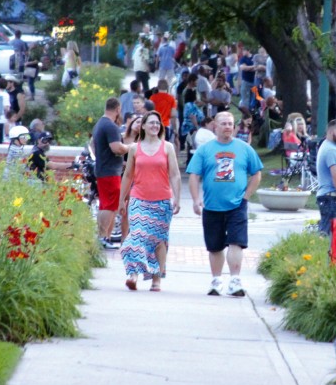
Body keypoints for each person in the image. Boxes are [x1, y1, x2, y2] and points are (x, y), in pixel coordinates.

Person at [186, 111, 263, 297]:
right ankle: (217, 280)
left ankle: (235, 280)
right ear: (215, 126)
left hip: (237, 205)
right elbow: (194, 176)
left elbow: (257, 173)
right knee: (215, 246)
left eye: (230, 124)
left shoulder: (244, 149)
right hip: (212, 206)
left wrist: (246, 196)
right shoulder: (205, 150)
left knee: (236, 242)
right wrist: (196, 200)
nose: (228, 127)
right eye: (224, 124)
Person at [119, 111, 182, 292]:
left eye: (157, 123)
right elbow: (128, 175)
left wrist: (177, 198)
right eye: (151, 123)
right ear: (143, 126)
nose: (155, 126)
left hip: (162, 201)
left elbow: (175, 174)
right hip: (139, 198)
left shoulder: (167, 147)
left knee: (159, 241)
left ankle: (157, 279)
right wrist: (122, 199)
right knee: (136, 235)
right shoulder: (134, 149)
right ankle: (133, 275)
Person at [93, 98, 128, 249]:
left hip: (103, 169)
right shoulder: (110, 126)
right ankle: (102, 237)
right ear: (118, 109)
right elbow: (116, 148)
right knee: (109, 206)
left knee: (106, 205)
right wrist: (130, 147)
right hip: (110, 171)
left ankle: (105, 237)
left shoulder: (100, 124)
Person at [315, 119, 336, 235]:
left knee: (326, 230)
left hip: (325, 196)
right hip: (330, 196)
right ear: (331, 132)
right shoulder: (332, 150)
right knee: (327, 233)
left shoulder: (325, 145)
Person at [149, 79, 178, 145]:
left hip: (154, 125)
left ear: (158, 87)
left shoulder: (152, 98)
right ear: (167, 87)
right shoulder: (171, 99)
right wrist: (175, 129)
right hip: (165, 126)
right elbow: (173, 115)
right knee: (164, 146)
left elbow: (149, 112)